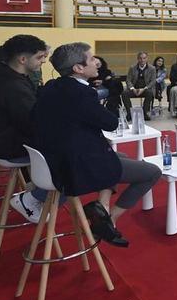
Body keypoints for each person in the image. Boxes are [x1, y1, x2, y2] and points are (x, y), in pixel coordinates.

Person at [33, 42, 161, 247]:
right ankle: (110, 220)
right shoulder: (82, 93)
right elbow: (110, 122)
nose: (96, 62)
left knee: (121, 157)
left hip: (56, 158)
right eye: (92, 59)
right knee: (152, 172)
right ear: (78, 68)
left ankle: (102, 209)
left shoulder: (53, 87)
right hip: (76, 165)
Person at [0, 34, 50, 223]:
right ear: (22, 59)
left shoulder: (6, 76)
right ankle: (34, 197)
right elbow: (31, 123)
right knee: (73, 151)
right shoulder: (11, 85)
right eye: (40, 57)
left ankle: (37, 185)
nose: (43, 61)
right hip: (5, 143)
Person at [121, 51, 155, 120]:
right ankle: (129, 113)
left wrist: (144, 89)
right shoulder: (132, 68)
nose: (142, 60)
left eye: (144, 58)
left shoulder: (152, 68)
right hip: (134, 89)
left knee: (150, 93)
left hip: (145, 89)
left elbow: (153, 81)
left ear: (147, 59)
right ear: (137, 59)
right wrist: (132, 88)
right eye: (140, 58)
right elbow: (128, 80)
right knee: (124, 93)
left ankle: (145, 113)